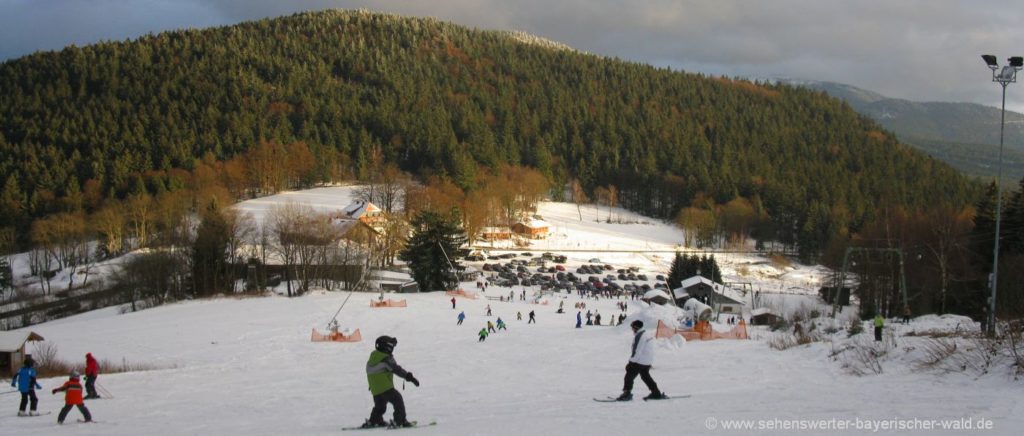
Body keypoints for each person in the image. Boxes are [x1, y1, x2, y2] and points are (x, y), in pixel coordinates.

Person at [361, 336, 419, 429]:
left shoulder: (373, 358)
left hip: (375, 390)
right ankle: (400, 421)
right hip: (386, 388)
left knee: (380, 406)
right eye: (391, 346)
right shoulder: (385, 358)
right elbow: (396, 369)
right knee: (398, 400)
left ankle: (375, 420)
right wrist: (408, 377)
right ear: (386, 347)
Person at [616, 320, 665, 401]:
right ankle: (656, 393)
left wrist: (630, 362)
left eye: (632, 327)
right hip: (647, 361)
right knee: (645, 376)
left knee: (629, 376)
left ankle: (627, 393)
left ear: (636, 327)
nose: (632, 329)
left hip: (640, 361)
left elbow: (637, 351)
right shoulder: (647, 334)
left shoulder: (639, 336)